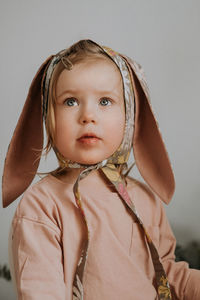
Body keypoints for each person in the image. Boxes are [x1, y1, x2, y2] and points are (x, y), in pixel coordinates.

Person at [2, 39, 200, 300]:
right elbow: (41, 292)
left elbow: (168, 276)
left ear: (129, 116)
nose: (88, 115)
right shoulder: (40, 206)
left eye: (105, 101)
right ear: (48, 118)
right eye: (70, 101)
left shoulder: (145, 199)